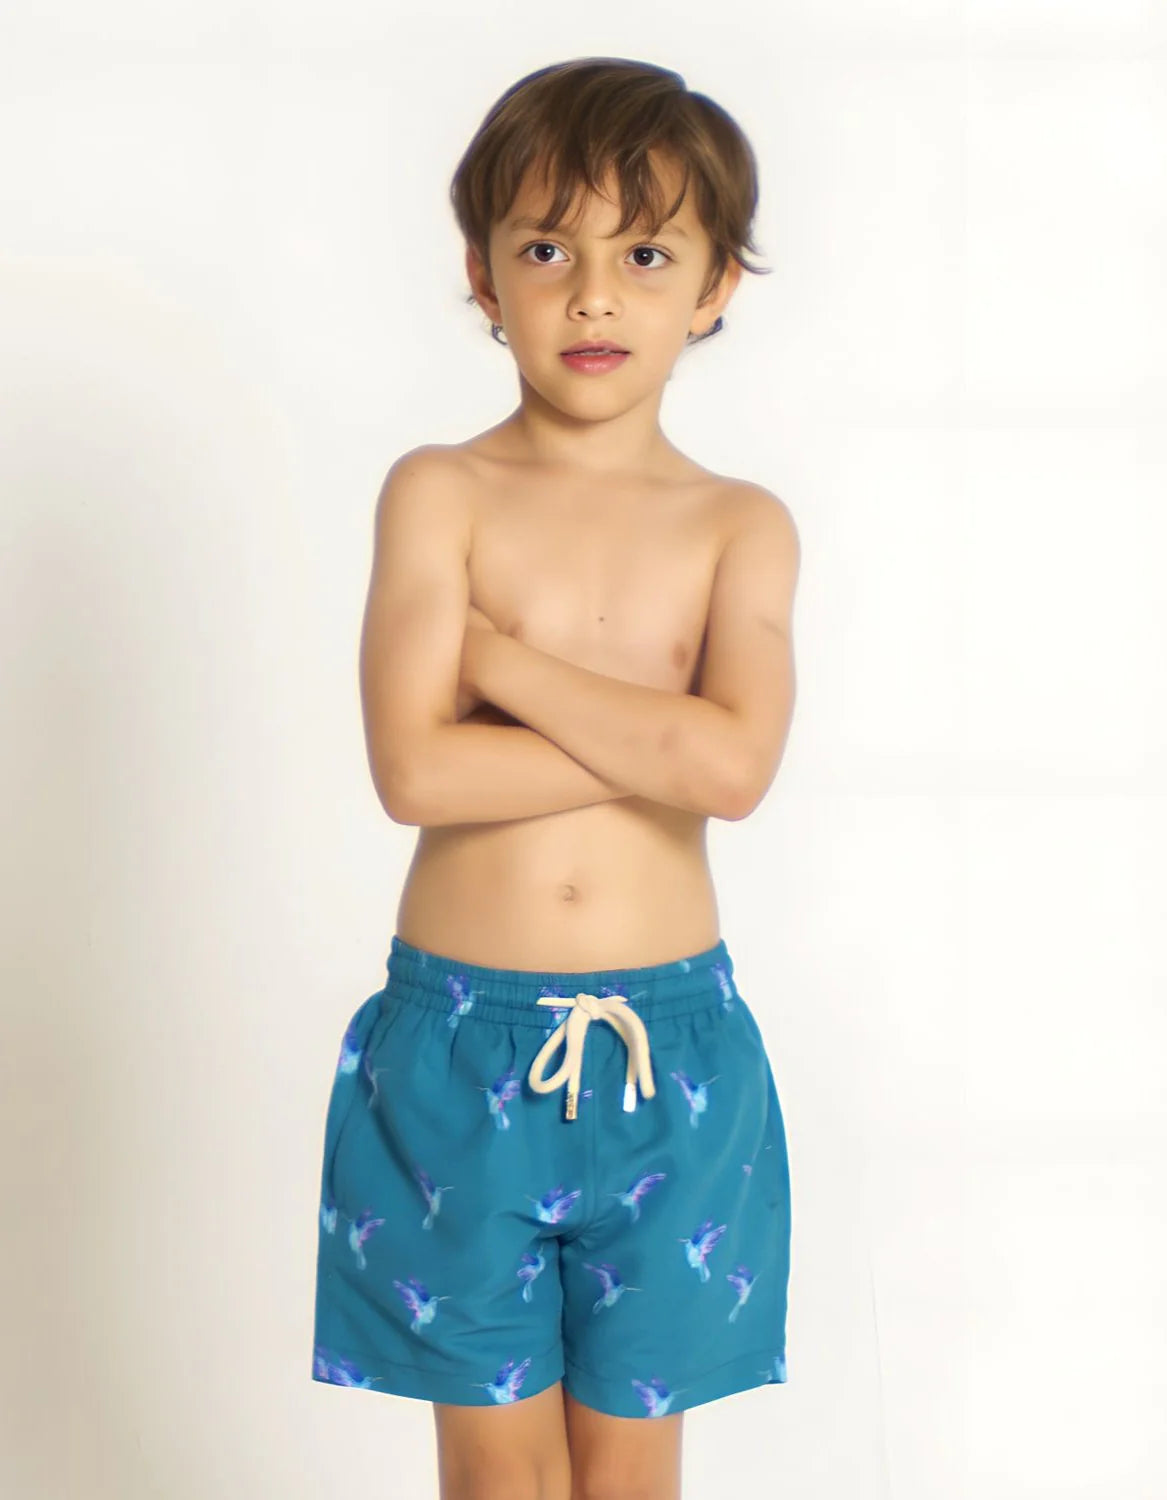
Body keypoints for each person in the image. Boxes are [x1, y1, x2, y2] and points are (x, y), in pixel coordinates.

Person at [311, 55, 800, 1500]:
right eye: (546, 252)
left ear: (713, 285)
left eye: (644, 256)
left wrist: (498, 661)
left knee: (633, 1477)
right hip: (459, 1048)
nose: (593, 298)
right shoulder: (440, 492)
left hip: (673, 1055)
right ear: (483, 274)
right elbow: (415, 770)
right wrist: (656, 738)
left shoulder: (740, 526)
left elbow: (734, 768)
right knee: (500, 1477)